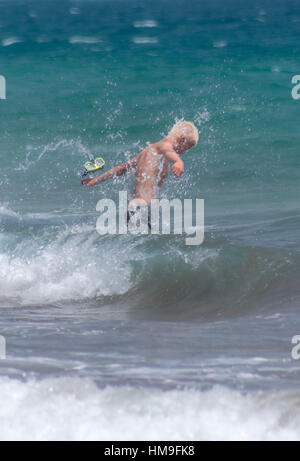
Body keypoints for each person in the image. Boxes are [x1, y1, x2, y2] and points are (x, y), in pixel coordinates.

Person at [82, 121, 199, 209]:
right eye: (186, 148)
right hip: (143, 206)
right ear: (182, 140)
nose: (184, 152)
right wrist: (179, 161)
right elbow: (168, 150)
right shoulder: (163, 146)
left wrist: (97, 180)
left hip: (137, 205)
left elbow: (122, 169)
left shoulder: (149, 152)